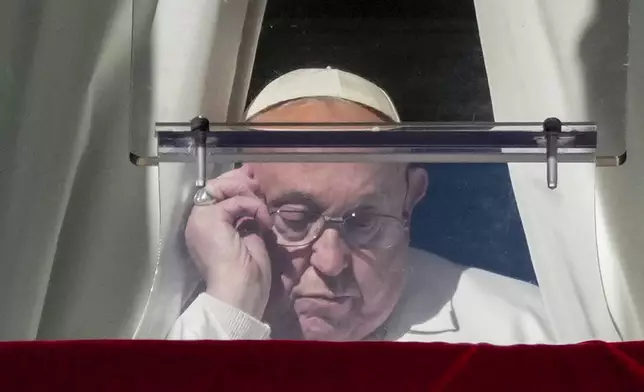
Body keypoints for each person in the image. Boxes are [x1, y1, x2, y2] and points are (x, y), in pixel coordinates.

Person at [168, 67, 555, 344]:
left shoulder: (531, 335)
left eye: (364, 221)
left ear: (410, 200)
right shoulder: (156, 319)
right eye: (296, 218)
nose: (332, 262)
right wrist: (231, 308)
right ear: (237, 204)